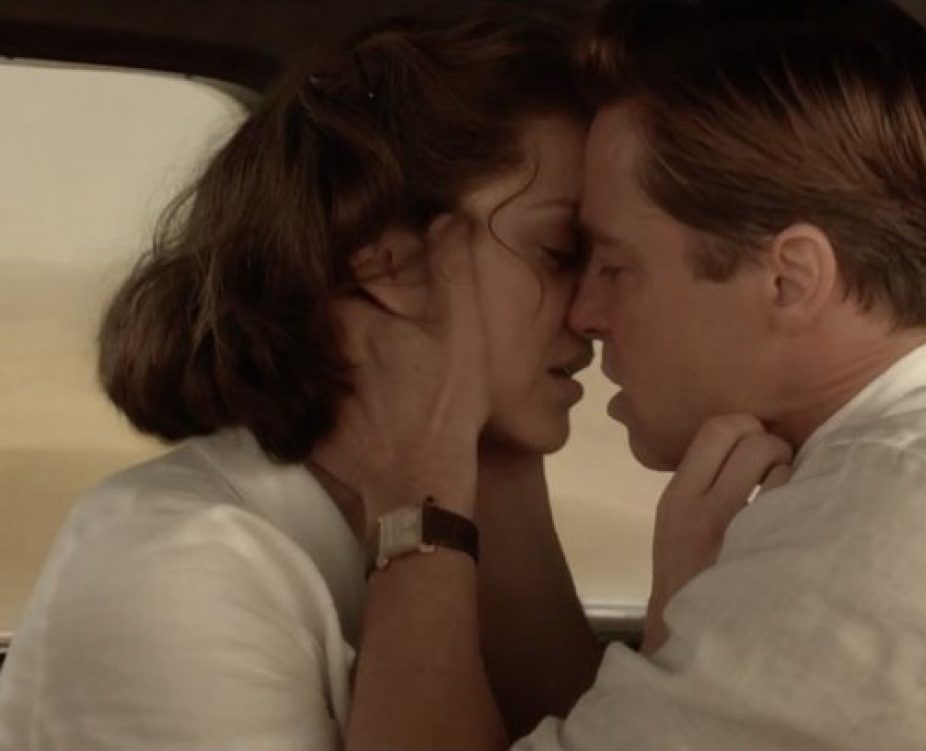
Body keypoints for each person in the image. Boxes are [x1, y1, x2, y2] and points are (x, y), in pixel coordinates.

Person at [346, 1, 926, 750]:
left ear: (790, 280)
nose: (585, 312)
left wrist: (420, 491)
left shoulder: (892, 526)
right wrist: (683, 626)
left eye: (614, 264)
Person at [0, 4, 607, 749]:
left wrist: (495, 468)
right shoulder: (181, 565)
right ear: (390, 265)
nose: (596, 310)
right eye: (559, 251)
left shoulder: (465, 504)